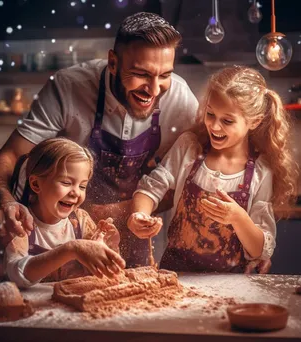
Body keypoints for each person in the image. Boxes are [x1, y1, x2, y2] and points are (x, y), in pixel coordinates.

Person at [0, 12, 199, 267]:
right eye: (141, 74)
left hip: (137, 229)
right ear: (113, 62)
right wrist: (4, 201)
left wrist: (129, 211)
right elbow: (9, 157)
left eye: (165, 75)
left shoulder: (180, 98)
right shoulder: (69, 86)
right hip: (65, 229)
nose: (154, 90)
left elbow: (194, 177)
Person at [128, 65, 299, 273]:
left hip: (231, 288)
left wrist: (238, 217)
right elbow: (151, 188)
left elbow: (258, 251)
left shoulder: (260, 171)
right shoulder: (189, 147)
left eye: (227, 120)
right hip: (176, 278)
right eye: (210, 114)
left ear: (254, 122)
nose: (215, 126)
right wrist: (139, 215)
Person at [2, 137, 125, 288]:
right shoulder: (21, 223)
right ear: (35, 184)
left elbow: (101, 273)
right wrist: (71, 249)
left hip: (72, 308)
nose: (75, 193)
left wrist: (108, 246)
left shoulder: (81, 220)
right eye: (66, 183)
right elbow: (16, 275)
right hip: (34, 308)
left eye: (82, 186)